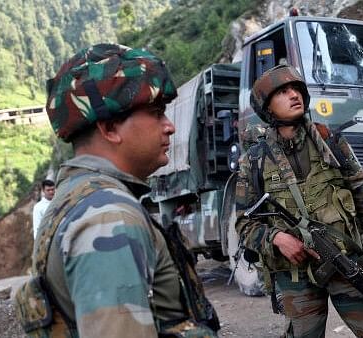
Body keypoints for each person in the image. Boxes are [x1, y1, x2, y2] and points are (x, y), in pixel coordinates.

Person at [15, 43, 219, 337]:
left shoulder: (77, 199)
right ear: (110, 128)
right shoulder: (109, 216)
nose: (170, 126)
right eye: (157, 112)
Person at [235, 65, 363, 337]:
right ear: (268, 107)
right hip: (294, 276)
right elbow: (243, 223)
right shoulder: (254, 161)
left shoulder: (330, 142)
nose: (293, 95)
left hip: (346, 264)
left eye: (296, 89)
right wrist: (277, 238)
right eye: (283, 92)